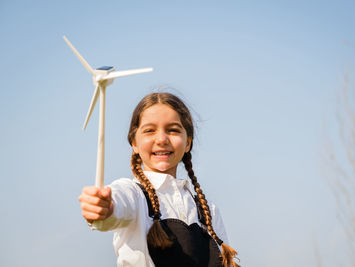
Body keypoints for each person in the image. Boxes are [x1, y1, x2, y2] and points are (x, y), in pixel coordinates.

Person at [78, 92, 239, 267]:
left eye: (173, 130)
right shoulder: (134, 195)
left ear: (188, 143)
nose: (162, 139)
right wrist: (104, 207)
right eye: (149, 130)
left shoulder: (209, 213)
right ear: (134, 143)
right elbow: (116, 205)